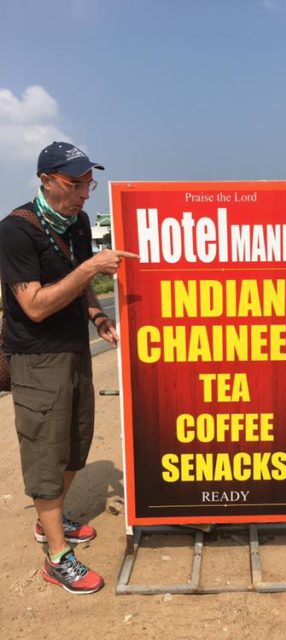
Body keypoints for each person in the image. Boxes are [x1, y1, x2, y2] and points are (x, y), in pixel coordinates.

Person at [0, 141, 138, 594]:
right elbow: (35, 306)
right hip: (37, 357)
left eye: (88, 184)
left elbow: (81, 283)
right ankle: (57, 557)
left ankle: (50, 522)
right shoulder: (15, 231)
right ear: (46, 180)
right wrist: (92, 268)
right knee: (45, 452)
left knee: (76, 443)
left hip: (76, 351)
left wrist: (98, 316)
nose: (83, 194)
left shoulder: (77, 223)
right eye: (74, 184)